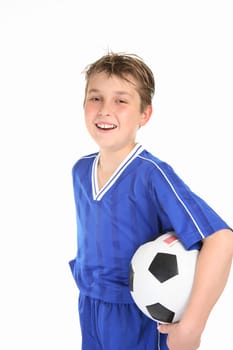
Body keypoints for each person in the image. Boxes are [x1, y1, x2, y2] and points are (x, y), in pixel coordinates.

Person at [69, 52, 233, 350]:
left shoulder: (151, 175)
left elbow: (221, 239)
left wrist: (192, 326)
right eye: (96, 98)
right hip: (90, 309)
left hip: (138, 318)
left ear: (144, 114)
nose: (105, 110)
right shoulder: (81, 171)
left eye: (121, 101)